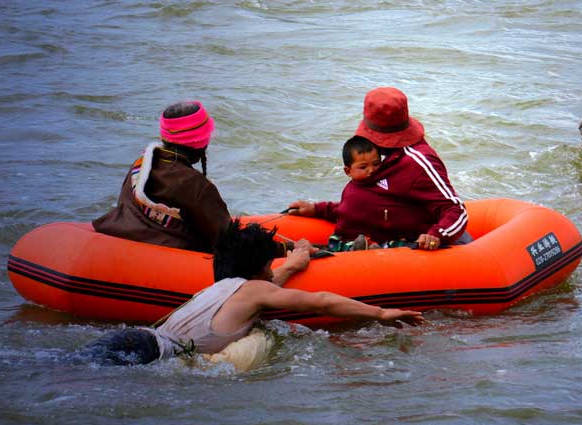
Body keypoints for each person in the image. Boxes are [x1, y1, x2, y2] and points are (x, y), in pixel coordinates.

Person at [81, 219, 425, 367]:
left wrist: (293, 263)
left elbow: (263, 286)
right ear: (262, 267)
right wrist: (381, 313)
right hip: (151, 357)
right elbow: (320, 301)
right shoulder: (255, 291)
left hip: (134, 340)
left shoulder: (220, 288)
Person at [287, 87, 471, 251]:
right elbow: (364, 205)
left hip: (419, 245)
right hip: (374, 237)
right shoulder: (378, 159)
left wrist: (436, 235)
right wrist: (316, 209)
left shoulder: (417, 161)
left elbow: (456, 211)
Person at [93, 101, 231, 253]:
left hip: (121, 246)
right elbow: (227, 237)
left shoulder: (141, 165)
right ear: (200, 141)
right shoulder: (196, 185)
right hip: (172, 259)